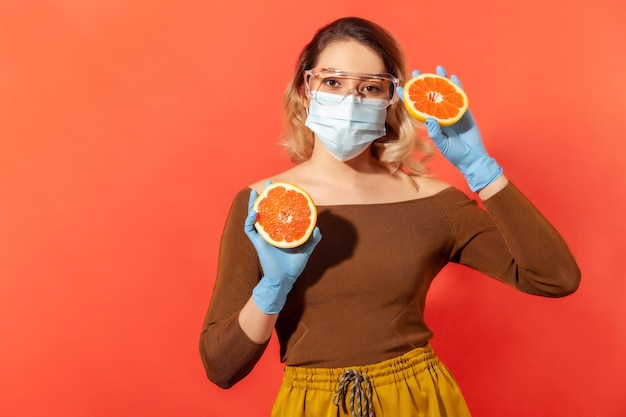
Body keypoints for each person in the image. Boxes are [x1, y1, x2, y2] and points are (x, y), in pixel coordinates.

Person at [199, 16, 581, 417]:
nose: (350, 100)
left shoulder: (434, 202)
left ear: (390, 99)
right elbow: (221, 367)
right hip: (311, 406)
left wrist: (484, 173)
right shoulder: (263, 203)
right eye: (333, 82)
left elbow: (555, 277)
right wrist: (272, 289)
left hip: (422, 400)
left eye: (369, 87)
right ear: (304, 89)